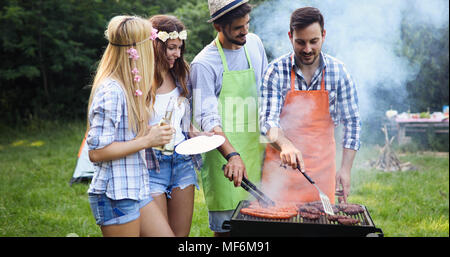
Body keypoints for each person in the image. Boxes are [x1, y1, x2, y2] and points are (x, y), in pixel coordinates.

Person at [259, 7, 361, 205]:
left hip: (321, 177)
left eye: (314, 41)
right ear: (290, 37)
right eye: (300, 42)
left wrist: (345, 169)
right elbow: (267, 121)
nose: (307, 49)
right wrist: (286, 145)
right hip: (279, 176)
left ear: (323, 36)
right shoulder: (275, 72)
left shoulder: (339, 72)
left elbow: (353, 123)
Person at [86, 15, 175, 237]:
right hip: (115, 194)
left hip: (135, 187)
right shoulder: (112, 91)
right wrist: (148, 140)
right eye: (150, 43)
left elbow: (127, 137)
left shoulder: (129, 86)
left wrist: (151, 132)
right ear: (136, 49)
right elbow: (96, 153)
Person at [190, 0, 268, 236]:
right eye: (238, 28)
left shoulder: (254, 43)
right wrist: (233, 155)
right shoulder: (203, 64)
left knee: (261, 227)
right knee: (228, 231)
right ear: (218, 26)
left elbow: (265, 90)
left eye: (247, 24)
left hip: (256, 151)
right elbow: (207, 118)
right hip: (224, 161)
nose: (245, 31)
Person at [146, 14, 207, 237]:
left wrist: (198, 134)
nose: (177, 54)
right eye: (171, 48)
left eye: (179, 48)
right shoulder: (140, 80)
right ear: (155, 45)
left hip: (182, 163)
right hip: (152, 165)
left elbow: (183, 122)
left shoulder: (182, 73)